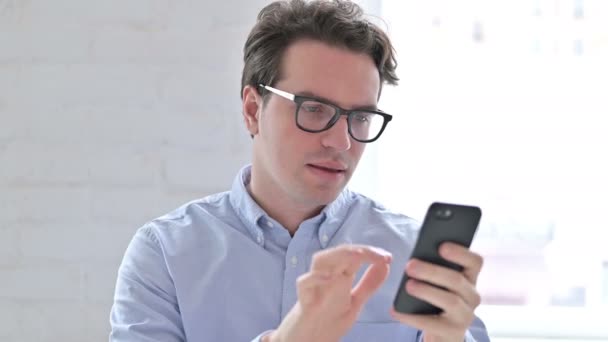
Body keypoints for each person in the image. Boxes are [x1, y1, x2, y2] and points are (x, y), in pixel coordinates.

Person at [109, 0, 490, 341]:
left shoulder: (414, 259)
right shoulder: (166, 256)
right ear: (253, 110)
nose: (341, 142)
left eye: (360, 117)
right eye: (314, 109)